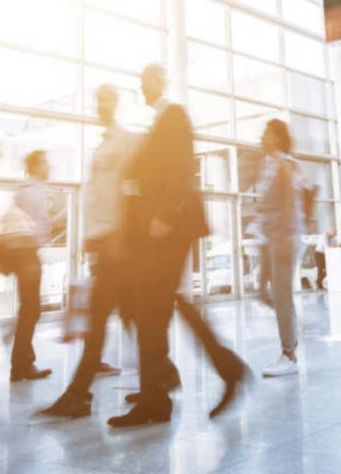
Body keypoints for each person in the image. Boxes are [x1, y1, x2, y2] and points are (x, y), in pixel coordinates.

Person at [108, 64, 248, 427]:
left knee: (151, 309)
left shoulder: (173, 115)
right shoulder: (155, 124)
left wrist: (164, 215)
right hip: (157, 233)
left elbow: (182, 169)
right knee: (158, 306)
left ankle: (159, 396)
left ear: (161, 80)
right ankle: (215, 370)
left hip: (168, 228)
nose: (141, 84)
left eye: (146, 78)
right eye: (139, 79)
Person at [40, 85, 137, 418]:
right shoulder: (101, 147)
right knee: (127, 316)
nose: (102, 106)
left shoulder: (125, 142)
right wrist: (90, 237)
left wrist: (119, 236)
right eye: (99, 101)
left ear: (117, 104)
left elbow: (129, 191)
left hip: (116, 244)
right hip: (103, 242)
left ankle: (79, 394)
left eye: (108, 100)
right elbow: (97, 195)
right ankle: (162, 373)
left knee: (100, 319)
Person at [255, 119, 305, 377]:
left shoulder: (284, 164)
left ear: (277, 137)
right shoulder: (268, 164)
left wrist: (285, 236)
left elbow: (289, 203)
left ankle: (288, 353)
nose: (261, 137)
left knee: (282, 295)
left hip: (283, 236)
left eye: (266, 134)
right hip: (269, 236)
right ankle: (292, 333)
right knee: (263, 293)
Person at [4, 150, 53, 383]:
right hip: (27, 254)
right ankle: (21, 365)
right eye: (45, 164)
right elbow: (36, 227)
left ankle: (23, 363)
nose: (49, 167)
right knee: (31, 310)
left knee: (30, 309)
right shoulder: (32, 193)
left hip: (24, 254)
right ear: (34, 166)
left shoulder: (25, 191)